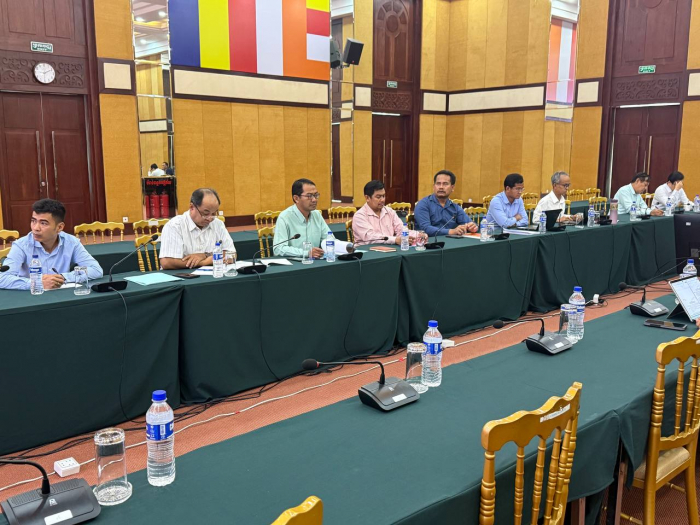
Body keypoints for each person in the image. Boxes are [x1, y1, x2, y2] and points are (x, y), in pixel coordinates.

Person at [0, 199, 103, 290]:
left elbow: (96, 270)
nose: (36, 228)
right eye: (33, 221)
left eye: (43, 223)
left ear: (59, 227)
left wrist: (62, 277)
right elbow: (2, 278)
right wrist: (38, 283)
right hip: (31, 297)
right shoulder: (21, 245)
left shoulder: (71, 243)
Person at [159, 188, 235, 269]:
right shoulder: (175, 226)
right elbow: (166, 262)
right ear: (192, 207)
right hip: (180, 275)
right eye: (205, 213)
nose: (210, 218)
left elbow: (232, 254)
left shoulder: (218, 224)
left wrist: (205, 255)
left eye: (214, 213)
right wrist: (204, 262)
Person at [273, 179, 351, 258]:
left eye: (316, 195)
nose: (314, 199)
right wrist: (306, 253)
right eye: (309, 196)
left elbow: (329, 240)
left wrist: (346, 247)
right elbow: (278, 249)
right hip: (294, 263)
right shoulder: (285, 217)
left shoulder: (316, 215)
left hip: (314, 262)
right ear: (296, 198)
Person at [353, 180, 426, 246]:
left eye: (383, 196)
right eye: (378, 197)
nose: (382, 200)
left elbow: (401, 230)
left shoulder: (389, 212)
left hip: (389, 249)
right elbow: (370, 237)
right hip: (368, 252)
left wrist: (418, 235)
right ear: (367, 198)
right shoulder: (360, 216)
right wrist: (395, 240)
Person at [414, 170, 477, 236]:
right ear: (434, 187)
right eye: (438, 183)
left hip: (451, 240)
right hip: (429, 241)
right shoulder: (423, 204)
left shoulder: (454, 207)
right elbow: (426, 229)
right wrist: (452, 231)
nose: (441, 187)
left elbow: (470, 223)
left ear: (452, 188)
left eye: (445, 184)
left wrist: (472, 227)